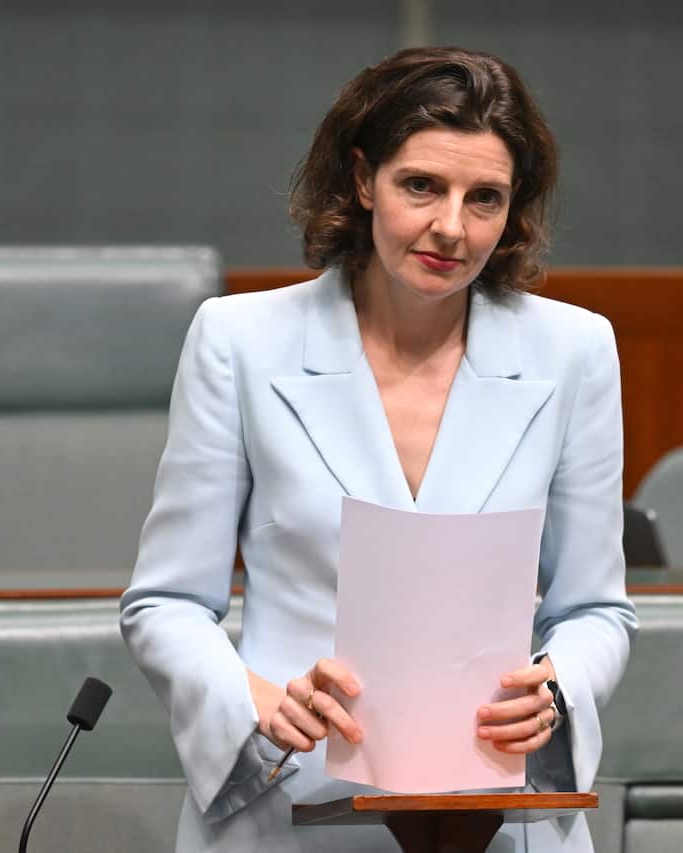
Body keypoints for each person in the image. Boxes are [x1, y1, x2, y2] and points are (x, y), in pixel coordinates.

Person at [120, 46, 636, 852]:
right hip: (292, 797)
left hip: (491, 810)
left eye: (485, 198)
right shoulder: (240, 341)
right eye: (421, 185)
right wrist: (256, 698)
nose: (451, 228)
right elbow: (166, 604)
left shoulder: (575, 350)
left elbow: (595, 609)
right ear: (363, 181)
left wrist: (555, 688)